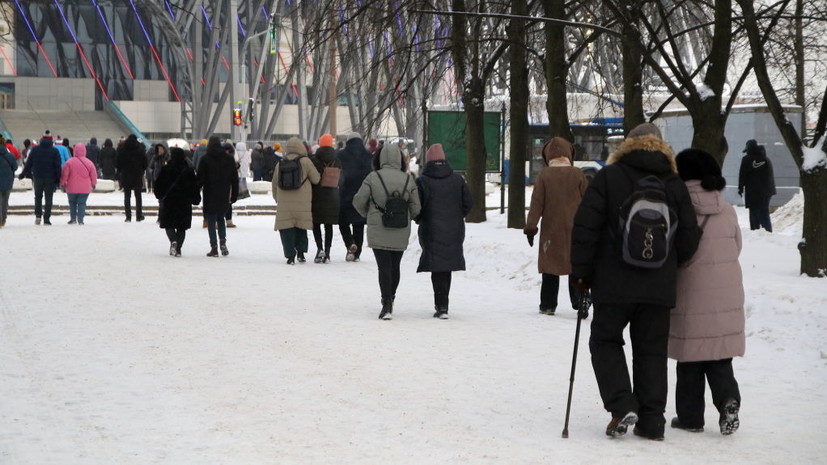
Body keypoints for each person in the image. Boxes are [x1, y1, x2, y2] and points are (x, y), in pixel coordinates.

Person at [570, 123, 701, 440]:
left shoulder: (608, 177)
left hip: (612, 283)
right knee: (651, 352)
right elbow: (688, 238)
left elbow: (586, 227)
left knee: (604, 341)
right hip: (658, 285)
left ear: (627, 146)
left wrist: (581, 273)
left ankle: (621, 404)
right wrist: (671, 263)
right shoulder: (673, 183)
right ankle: (652, 420)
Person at [670, 148, 744, 436]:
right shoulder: (726, 208)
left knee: (690, 357)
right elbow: (736, 247)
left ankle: (689, 418)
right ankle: (728, 399)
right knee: (718, 355)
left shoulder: (679, 206)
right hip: (726, 292)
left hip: (690, 290)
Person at [353, 143, 421, 320]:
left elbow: (358, 201)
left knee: (383, 266)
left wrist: (369, 214)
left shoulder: (372, 177)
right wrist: (407, 215)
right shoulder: (408, 179)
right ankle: (391, 297)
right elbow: (416, 208)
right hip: (400, 227)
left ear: (380, 158)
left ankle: (386, 303)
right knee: (395, 265)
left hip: (378, 227)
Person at [524, 137, 589, 316]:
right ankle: (579, 301)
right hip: (576, 229)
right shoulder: (578, 174)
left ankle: (548, 304)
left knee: (550, 268)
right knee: (574, 266)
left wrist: (531, 228)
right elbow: (589, 202)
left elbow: (536, 204)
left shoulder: (544, 175)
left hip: (551, 231)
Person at [415, 143, 472, 319]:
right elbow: (468, 204)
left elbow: (417, 207)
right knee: (446, 266)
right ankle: (444, 305)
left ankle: (440, 306)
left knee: (436, 266)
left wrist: (420, 219)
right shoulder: (457, 180)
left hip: (431, 228)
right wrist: (456, 216)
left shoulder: (423, 181)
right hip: (454, 228)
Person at [272, 136, 320, 264]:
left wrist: (277, 199)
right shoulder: (306, 161)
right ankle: (301, 253)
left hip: (284, 202)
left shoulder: (280, 163)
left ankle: (290, 256)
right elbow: (316, 179)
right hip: (302, 202)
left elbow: (274, 183)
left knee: (286, 229)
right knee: (301, 226)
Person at [154, 147, 201, 257]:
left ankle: (173, 241)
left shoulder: (166, 169)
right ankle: (178, 248)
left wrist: (159, 195)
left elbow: (159, 184)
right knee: (182, 227)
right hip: (184, 202)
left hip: (169, 201)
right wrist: (196, 198)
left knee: (168, 224)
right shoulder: (189, 171)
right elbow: (195, 186)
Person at [197, 136, 238, 257]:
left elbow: (200, 179)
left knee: (211, 221)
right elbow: (234, 179)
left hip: (210, 194)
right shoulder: (229, 159)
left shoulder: (205, 159)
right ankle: (223, 243)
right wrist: (234, 194)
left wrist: (195, 194)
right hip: (224, 193)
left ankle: (214, 247)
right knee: (221, 218)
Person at [337, 132, 373, 262]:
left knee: (343, 222)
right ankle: (357, 254)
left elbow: (337, 174)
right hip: (363, 195)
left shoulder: (340, 155)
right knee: (359, 224)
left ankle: (349, 243)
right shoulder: (368, 156)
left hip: (345, 194)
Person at [310, 134, 342, 263]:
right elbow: (341, 178)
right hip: (332, 196)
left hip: (317, 195)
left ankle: (319, 249)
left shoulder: (314, 160)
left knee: (316, 223)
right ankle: (327, 252)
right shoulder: (337, 160)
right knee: (328, 226)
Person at [19, 130, 62, 225]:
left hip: (38, 176)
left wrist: (22, 174)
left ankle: (38, 216)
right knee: (49, 198)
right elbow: (57, 166)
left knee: (38, 197)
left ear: (41, 139)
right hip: (50, 178)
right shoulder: (54, 151)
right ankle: (47, 219)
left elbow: (28, 163)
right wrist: (58, 179)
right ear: (51, 140)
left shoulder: (35, 149)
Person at [738, 139, 776, 232]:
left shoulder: (747, 159)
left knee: (754, 213)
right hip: (767, 191)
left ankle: (756, 232)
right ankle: (767, 231)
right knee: (763, 212)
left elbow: (742, 175)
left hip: (753, 191)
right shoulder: (766, 159)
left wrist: (740, 188)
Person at [59, 143, 98, 225]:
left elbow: (65, 174)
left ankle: (73, 219)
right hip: (85, 188)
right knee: (82, 203)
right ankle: (80, 219)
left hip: (71, 187)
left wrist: (62, 183)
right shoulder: (89, 163)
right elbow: (93, 175)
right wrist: (94, 183)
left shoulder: (69, 162)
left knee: (72, 203)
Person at [117, 134, 148, 222]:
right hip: (137, 175)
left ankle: (128, 216)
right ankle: (138, 216)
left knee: (127, 196)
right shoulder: (140, 150)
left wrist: (122, 171)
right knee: (138, 196)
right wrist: (141, 170)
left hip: (126, 175)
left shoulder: (122, 150)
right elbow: (145, 163)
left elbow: (118, 163)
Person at [0, 138, 16, 228]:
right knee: (5, 201)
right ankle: (3, 220)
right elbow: (15, 167)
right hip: (8, 181)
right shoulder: (10, 156)